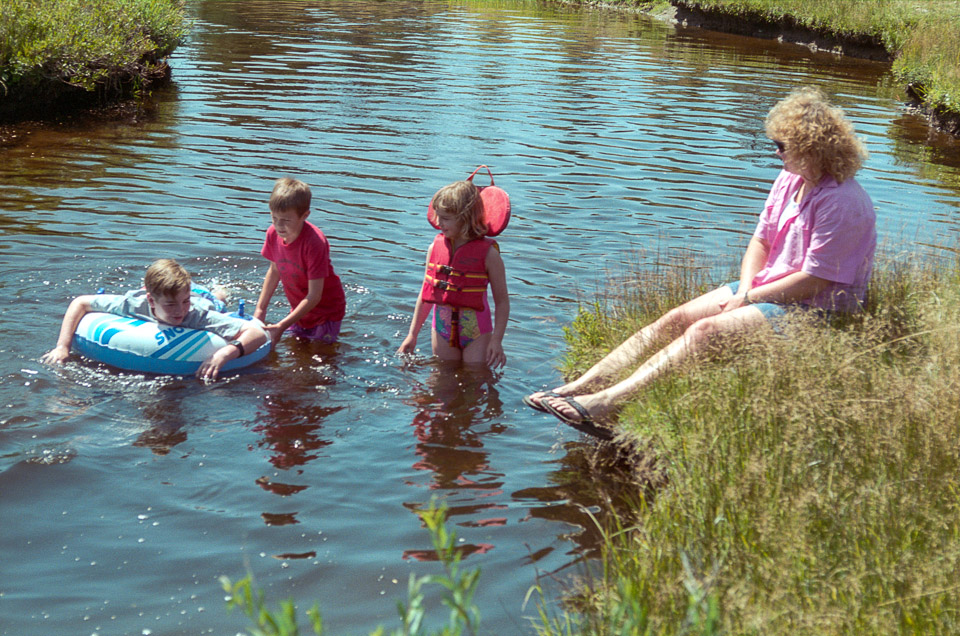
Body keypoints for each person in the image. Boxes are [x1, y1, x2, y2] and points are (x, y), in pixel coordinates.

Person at [525, 87, 877, 439]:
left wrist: (750, 298)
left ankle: (605, 404)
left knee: (704, 332)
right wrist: (749, 288)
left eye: (783, 145)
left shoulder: (842, 202)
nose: (776, 151)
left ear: (810, 148)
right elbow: (761, 241)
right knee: (673, 319)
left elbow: (815, 281)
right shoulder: (790, 180)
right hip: (769, 286)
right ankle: (577, 387)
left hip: (814, 309)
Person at [40, 259, 268, 380]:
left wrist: (224, 353)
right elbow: (80, 302)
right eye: (170, 305)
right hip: (173, 293)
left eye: (183, 302)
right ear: (151, 300)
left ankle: (219, 291)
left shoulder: (195, 314)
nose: (180, 311)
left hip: (203, 299)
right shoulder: (133, 304)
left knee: (215, 299)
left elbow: (258, 333)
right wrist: (62, 346)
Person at [397, 179, 510, 367]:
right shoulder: (434, 248)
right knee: (442, 380)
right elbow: (426, 294)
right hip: (442, 328)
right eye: (438, 216)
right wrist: (412, 334)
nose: (439, 222)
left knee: (476, 380)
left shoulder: (489, 255)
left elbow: (502, 301)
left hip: (476, 332)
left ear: (466, 218)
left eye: (446, 218)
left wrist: (496, 340)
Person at [254, 177, 346, 346]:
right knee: (295, 349)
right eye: (274, 218)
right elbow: (274, 271)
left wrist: (281, 325)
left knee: (320, 354)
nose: (279, 225)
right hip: (300, 307)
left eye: (286, 220)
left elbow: (314, 296)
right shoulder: (273, 234)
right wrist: (260, 310)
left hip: (326, 311)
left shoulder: (314, 242)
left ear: (304, 215)